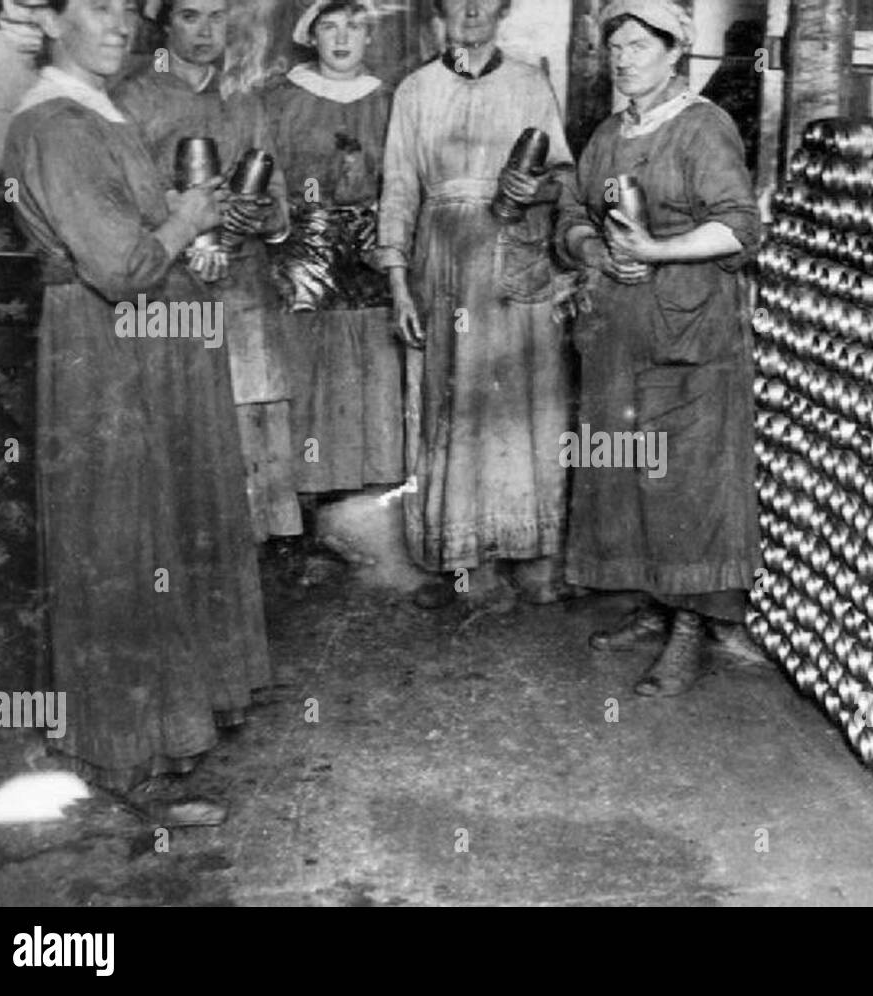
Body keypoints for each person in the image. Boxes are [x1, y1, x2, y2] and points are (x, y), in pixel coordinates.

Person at [4, 0, 270, 789]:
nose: (119, 24)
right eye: (95, 7)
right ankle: (124, 747)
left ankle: (171, 721)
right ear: (50, 21)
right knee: (118, 534)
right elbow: (122, 267)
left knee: (158, 523)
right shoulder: (55, 124)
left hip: (148, 345)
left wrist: (193, 228)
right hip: (104, 351)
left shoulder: (98, 111)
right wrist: (187, 219)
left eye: (126, 7)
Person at [555, 0, 766, 696]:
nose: (623, 60)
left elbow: (739, 226)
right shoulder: (610, 135)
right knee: (627, 474)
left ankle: (690, 631)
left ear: (676, 52)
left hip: (692, 333)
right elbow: (572, 216)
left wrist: (657, 249)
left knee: (686, 484)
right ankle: (653, 605)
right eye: (615, 48)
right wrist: (595, 247)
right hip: (621, 331)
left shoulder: (705, 128)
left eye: (639, 46)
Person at [377, 0, 574, 611]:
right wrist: (398, 281)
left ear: (503, 9)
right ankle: (468, 565)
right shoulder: (415, 90)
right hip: (444, 264)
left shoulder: (529, 82)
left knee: (522, 403)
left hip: (515, 258)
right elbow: (400, 186)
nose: (470, 9)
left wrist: (537, 187)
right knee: (455, 407)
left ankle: (533, 556)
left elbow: (566, 176)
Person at [113, 0, 303, 543]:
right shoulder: (131, 99)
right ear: (165, 23)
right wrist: (184, 220)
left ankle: (261, 552)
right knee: (182, 418)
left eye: (216, 17)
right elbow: (121, 202)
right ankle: (190, 549)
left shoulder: (245, 102)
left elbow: (280, 201)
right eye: (190, 16)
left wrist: (258, 212)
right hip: (170, 286)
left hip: (243, 285)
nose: (204, 31)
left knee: (252, 413)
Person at [265, 0, 403, 521]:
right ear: (311, 34)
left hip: (370, 250)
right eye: (329, 26)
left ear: (369, 36)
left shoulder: (390, 101)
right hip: (302, 251)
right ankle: (304, 496)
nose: (342, 38)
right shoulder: (278, 99)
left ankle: (367, 494)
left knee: (369, 360)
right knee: (308, 364)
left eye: (354, 26)